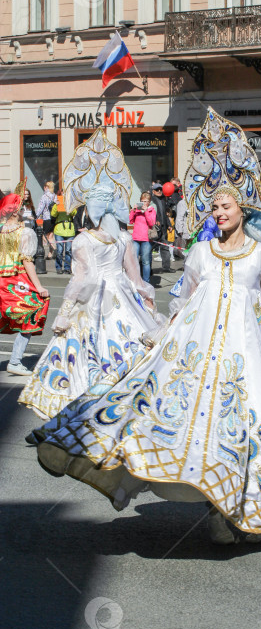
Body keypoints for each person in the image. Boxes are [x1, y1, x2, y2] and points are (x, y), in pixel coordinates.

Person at [27, 108, 261, 546]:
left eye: (227, 204)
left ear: (243, 207)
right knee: (201, 426)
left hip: (251, 353)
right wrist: (161, 330)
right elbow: (183, 300)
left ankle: (247, 508)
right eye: (214, 205)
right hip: (199, 351)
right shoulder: (200, 254)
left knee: (253, 427)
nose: (219, 211)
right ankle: (218, 509)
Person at [19, 129, 164, 419]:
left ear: (90, 211)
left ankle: (91, 399)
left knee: (91, 350)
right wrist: (146, 299)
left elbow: (81, 281)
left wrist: (65, 312)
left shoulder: (84, 240)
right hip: (123, 295)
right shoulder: (123, 239)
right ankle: (126, 399)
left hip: (97, 300)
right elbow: (135, 278)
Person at [0, 188, 49, 376]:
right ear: (14, 211)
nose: (23, 211)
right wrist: (39, 286)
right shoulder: (25, 232)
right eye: (21, 208)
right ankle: (15, 360)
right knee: (34, 308)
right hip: (15, 279)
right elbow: (27, 261)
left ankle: (15, 360)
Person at [130, 191, 157, 283]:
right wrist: (133, 211)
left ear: (149, 202)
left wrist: (146, 212)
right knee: (134, 260)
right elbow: (130, 221)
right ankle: (135, 280)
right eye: (142, 201)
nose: (144, 203)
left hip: (146, 239)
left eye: (146, 201)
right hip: (136, 238)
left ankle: (146, 282)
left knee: (145, 261)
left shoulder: (152, 210)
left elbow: (151, 223)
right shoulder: (137, 210)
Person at [51, 191, 76, 275]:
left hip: (69, 229)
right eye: (62, 194)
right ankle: (58, 267)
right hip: (59, 229)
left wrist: (70, 207)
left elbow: (74, 213)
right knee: (60, 250)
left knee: (68, 250)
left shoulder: (70, 204)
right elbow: (53, 214)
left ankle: (67, 267)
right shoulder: (57, 204)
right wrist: (56, 205)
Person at [150, 183, 171, 272]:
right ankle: (147, 268)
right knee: (150, 248)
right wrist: (155, 221)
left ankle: (166, 267)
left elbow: (165, 214)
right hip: (155, 228)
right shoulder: (151, 200)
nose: (159, 191)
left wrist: (169, 224)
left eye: (160, 189)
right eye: (157, 190)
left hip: (163, 227)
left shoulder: (163, 199)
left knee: (165, 247)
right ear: (153, 191)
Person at [36, 181, 57, 259]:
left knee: (43, 235)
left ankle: (54, 249)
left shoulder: (44, 196)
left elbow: (41, 208)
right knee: (50, 236)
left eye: (44, 186)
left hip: (47, 218)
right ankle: (50, 254)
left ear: (46, 187)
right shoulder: (55, 196)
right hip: (54, 218)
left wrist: (36, 216)